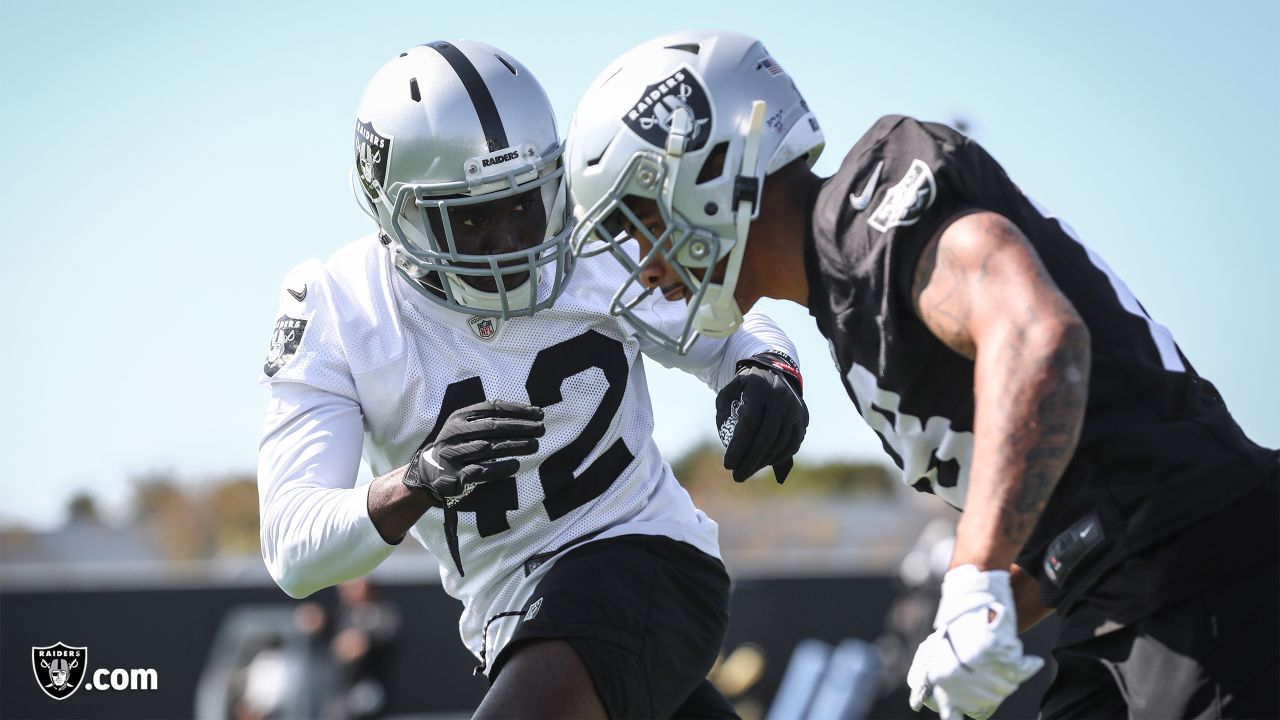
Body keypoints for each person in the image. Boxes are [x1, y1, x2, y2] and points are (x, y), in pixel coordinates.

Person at [565, 29, 1278, 719]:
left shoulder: (872, 219)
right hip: (1119, 595)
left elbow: (1040, 339)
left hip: (1204, 569)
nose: (645, 261)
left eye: (638, 219)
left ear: (711, 174)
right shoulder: (848, 309)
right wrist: (973, 617)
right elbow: (1066, 506)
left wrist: (972, 575)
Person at [256, 39, 809, 719]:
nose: (510, 242)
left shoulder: (593, 235)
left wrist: (766, 372)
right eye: (471, 217)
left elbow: (729, 329)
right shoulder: (342, 309)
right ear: (396, 216)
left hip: (646, 560)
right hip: (515, 624)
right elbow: (292, 549)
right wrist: (417, 481)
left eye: (524, 203)